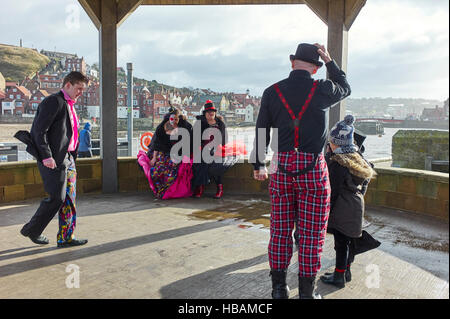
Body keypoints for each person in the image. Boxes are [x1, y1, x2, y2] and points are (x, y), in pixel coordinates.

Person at [251, 43, 351, 299]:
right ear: (316, 69)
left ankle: (278, 289)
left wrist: (259, 164)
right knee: (311, 234)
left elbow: (261, 130)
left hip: (282, 167)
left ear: (292, 62)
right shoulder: (323, 89)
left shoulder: (272, 92)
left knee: (280, 231)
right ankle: (306, 293)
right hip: (313, 169)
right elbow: (346, 88)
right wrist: (331, 62)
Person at [18, 71, 89, 247]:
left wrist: (71, 157)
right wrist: (47, 156)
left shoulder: (69, 104)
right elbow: (38, 132)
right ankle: (32, 229)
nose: (81, 92)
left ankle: (66, 237)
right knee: (57, 198)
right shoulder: (53, 101)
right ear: (68, 85)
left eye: (83, 89)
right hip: (53, 159)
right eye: (79, 88)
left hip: (68, 158)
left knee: (69, 200)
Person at [320, 115, 380, 288]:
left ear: (337, 143)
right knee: (347, 242)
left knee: (341, 244)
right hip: (354, 206)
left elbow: (333, 190)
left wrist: (326, 211)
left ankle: (339, 277)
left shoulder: (338, 164)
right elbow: (365, 182)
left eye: (331, 141)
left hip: (343, 209)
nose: (329, 144)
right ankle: (345, 272)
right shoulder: (357, 159)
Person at [137, 107, 194, 199]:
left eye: (176, 119)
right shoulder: (161, 128)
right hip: (162, 153)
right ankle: (160, 191)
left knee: (171, 173)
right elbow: (157, 144)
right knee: (157, 171)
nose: (174, 121)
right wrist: (154, 157)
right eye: (172, 119)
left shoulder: (185, 127)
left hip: (177, 154)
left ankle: (165, 192)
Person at [191, 100, 229, 199]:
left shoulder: (220, 123)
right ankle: (200, 187)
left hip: (217, 149)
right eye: (208, 112)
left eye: (212, 111)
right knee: (200, 163)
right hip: (202, 148)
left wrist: (220, 147)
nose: (211, 113)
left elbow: (225, 138)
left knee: (217, 165)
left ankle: (219, 188)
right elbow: (193, 137)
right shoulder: (199, 123)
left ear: (215, 113)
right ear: (205, 113)